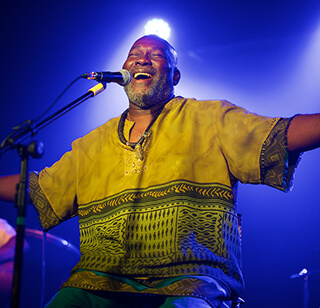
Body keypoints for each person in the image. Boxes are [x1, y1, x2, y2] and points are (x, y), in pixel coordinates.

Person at [0, 34, 320, 308]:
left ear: (175, 75)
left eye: (156, 55)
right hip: (99, 282)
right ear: (123, 70)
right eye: (135, 54)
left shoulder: (209, 118)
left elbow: (281, 135)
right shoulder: (92, 144)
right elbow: (39, 188)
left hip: (191, 280)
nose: (143, 60)